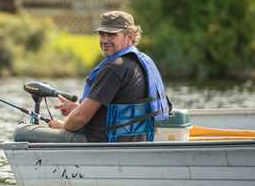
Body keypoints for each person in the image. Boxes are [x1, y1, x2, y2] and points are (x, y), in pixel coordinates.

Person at [13, 10, 169, 143]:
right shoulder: (138, 64)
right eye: (102, 34)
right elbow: (117, 109)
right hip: (131, 140)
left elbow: (80, 118)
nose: (105, 40)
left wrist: (63, 125)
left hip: (99, 141)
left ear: (129, 36)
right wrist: (78, 108)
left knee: (22, 132)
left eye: (112, 35)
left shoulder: (115, 67)